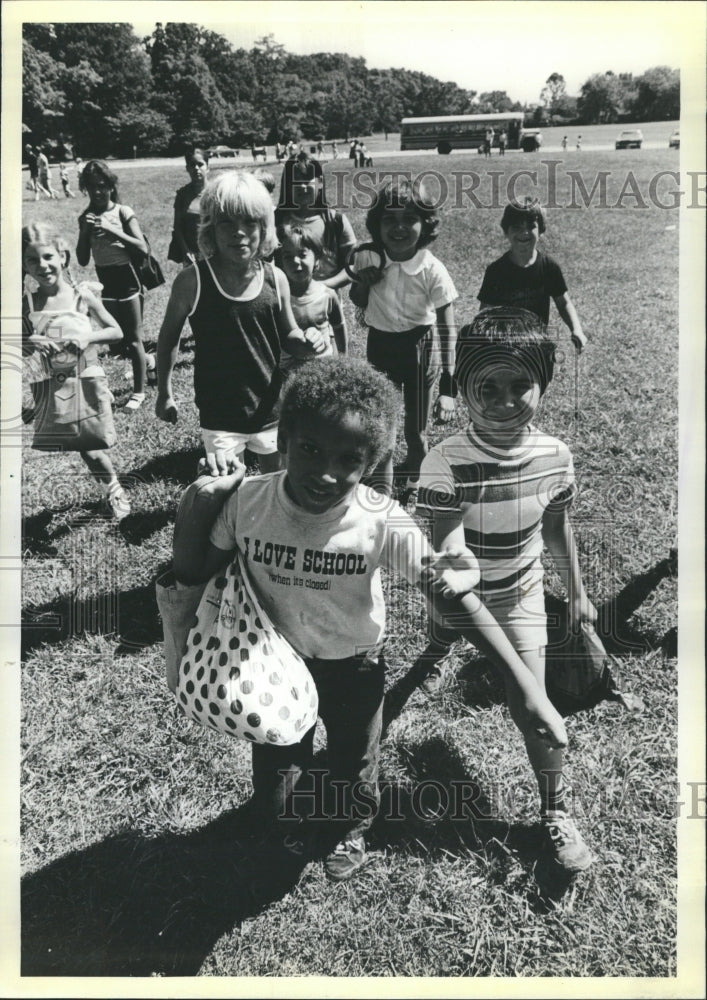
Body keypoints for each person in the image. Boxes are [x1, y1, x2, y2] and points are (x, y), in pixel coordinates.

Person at [170, 355, 568, 881]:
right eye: (310, 449)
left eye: (348, 459)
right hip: (271, 666)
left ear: (372, 461)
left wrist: (527, 687)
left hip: (354, 665)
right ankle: (289, 816)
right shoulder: (248, 502)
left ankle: (350, 828)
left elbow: (456, 600)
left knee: (354, 760)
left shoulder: (380, 520)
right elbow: (193, 571)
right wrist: (200, 502)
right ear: (283, 439)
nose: (326, 472)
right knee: (277, 757)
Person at [416, 307, 595, 873]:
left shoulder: (555, 457)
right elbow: (452, 557)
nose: (504, 399)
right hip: (463, 602)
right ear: (461, 385)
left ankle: (554, 807)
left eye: (522, 385)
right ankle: (439, 641)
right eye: (487, 386)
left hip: (520, 593)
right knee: (444, 628)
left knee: (532, 707)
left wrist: (579, 592)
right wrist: (453, 584)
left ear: (544, 384)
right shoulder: (444, 462)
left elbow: (555, 527)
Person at [155, 170, 328, 473]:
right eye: (227, 223)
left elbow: (290, 336)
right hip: (219, 414)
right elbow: (168, 339)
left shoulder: (276, 279)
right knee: (226, 490)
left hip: (270, 407)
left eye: (250, 222)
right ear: (209, 228)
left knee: (274, 486)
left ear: (265, 227)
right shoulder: (192, 281)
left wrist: (310, 340)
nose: (239, 232)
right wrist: (164, 393)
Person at [348, 178, 458, 501]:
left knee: (416, 431)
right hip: (381, 348)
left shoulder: (432, 269)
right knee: (383, 427)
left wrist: (449, 387)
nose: (398, 228)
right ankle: (382, 492)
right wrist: (364, 283)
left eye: (409, 219)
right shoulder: (369, 258)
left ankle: (414, 486)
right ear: (376, 224)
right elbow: (357, 299)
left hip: (419, 350)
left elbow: (447, 328)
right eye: (389, 219)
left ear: (425, 224)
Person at [22, 222, 130, 521]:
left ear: (63, 257)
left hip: (85, 381)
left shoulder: (82, 296)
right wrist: (32, 340)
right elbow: (16, 340)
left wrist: (87, 337)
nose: (42, 266)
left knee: (91, 445)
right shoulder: (29, 303)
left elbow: (116, 331)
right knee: (70, 440)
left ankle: (114, 490)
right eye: (32, 260)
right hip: (50, 386)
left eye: (48, 257)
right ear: (24, 266)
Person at [76, 160, 155, 410]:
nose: (97, 192)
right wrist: (85, 231)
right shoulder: (85, 218)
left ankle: (138, 393)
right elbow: (81, 258)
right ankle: (150, 363)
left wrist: (113, 229)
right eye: (91, 187)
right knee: (117, 343)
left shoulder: (123, 212)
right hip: (105, 280)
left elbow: (142, 247)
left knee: (133, 339)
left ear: (111, 186)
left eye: (102, 186)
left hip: (128, 278)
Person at [477, 198, 587, 352]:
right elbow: (485, 313)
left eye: (531, 226)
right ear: (506, 231)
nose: (524, 232)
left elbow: (564, 303)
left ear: (541, 230)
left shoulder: (549, 268)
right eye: (517, 227)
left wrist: (576, 329)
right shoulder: (496, 271)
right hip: (505, 348)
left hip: (538, 346)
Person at [275, 152, 356, 292]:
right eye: (295, 181)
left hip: (326, 305)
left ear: (319, 183)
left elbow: (353, 265)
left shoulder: (335, 221)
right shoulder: (276, 220)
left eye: (307, 180)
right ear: (286, 186)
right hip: (286, 302)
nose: (302, 186)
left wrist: (322, 287)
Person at [275, 222, 347, 374]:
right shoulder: (279, 297)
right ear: (280, 262)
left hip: (322, 366)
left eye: (302, 254)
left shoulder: (327, 295)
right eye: (288, 257)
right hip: (288, 371)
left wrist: (342, 359)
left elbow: (339, 327)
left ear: (317, 259)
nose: (295, 261)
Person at [168, 148, 209, 267]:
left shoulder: (216, 193)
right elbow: (178, 227)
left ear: (207, 167)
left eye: (200, 164)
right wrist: (185, 251)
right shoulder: (182, 195)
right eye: (192, 165)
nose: (196, 168)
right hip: (191, 255)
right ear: (187, 168)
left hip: (214, 253)